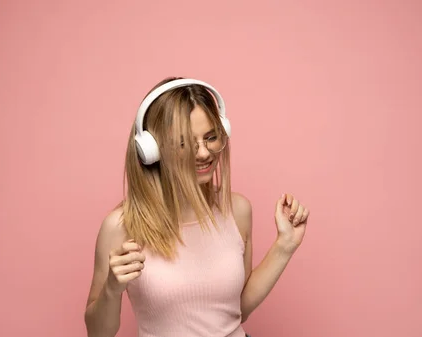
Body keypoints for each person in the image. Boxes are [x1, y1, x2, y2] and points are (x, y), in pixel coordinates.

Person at [84, 77, 310, 337]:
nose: (204, 153)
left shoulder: (236, 210)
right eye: (185, 143)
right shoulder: (121, 227)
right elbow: (98, 334)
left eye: (211, 137)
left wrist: (285, 245)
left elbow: (236, 310)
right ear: (152, 150)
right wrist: (111, 290)